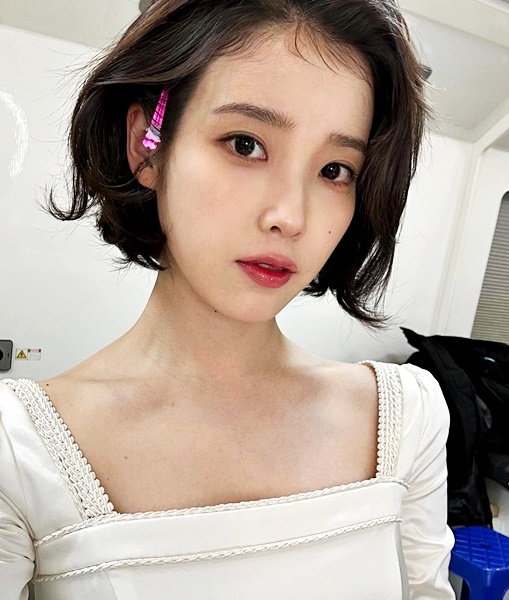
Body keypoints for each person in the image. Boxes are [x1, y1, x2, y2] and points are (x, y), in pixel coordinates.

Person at [0, 0, 455, 598]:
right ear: (147, 144)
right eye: (245, 144)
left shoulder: (406, 419)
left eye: (335, 170)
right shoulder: (19, 450)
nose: (290, 216)